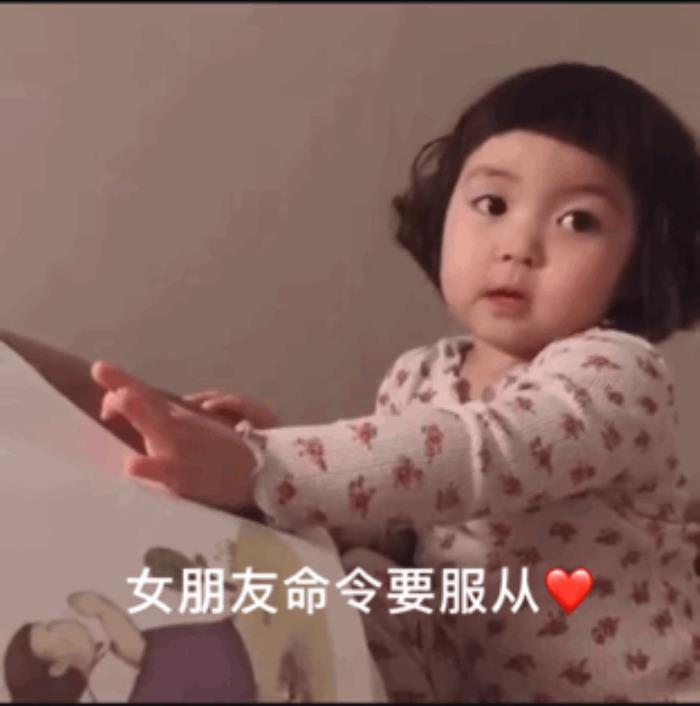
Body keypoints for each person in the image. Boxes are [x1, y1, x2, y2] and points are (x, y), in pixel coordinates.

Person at [90, 62, 700, 702]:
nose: (518, 245)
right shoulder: (420, 374)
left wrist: (265, 465)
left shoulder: (619, 372)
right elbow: (389, 524)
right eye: (492, 205)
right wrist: (261, 457)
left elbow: (484, 453)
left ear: (642, 259)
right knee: (358, 579)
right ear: (443, 213)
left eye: (578, 221)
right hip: (460, 672)